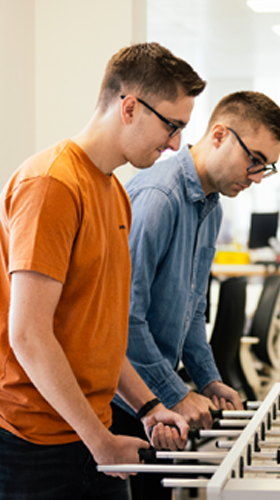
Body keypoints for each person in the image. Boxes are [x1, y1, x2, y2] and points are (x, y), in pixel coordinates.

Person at [0, 42, 207, 499]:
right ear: (129, 107)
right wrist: (99, 442)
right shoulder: (51, 184)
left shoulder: (115, 193)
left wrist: (149, 405)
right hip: (39, 443)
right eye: (172, 126)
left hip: (94, 429)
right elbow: (29, 335)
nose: (175, 144)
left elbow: (99, 334)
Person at [111, 90, 280, 498]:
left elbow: (192, 309)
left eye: (268, 167)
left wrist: (208, 379)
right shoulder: (159, 199)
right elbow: (125, 321)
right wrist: (176, 395)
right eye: (255, 160)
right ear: (219, 135)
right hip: (124, 401)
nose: (258, 175)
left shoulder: (212, 208)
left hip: (157, 391)